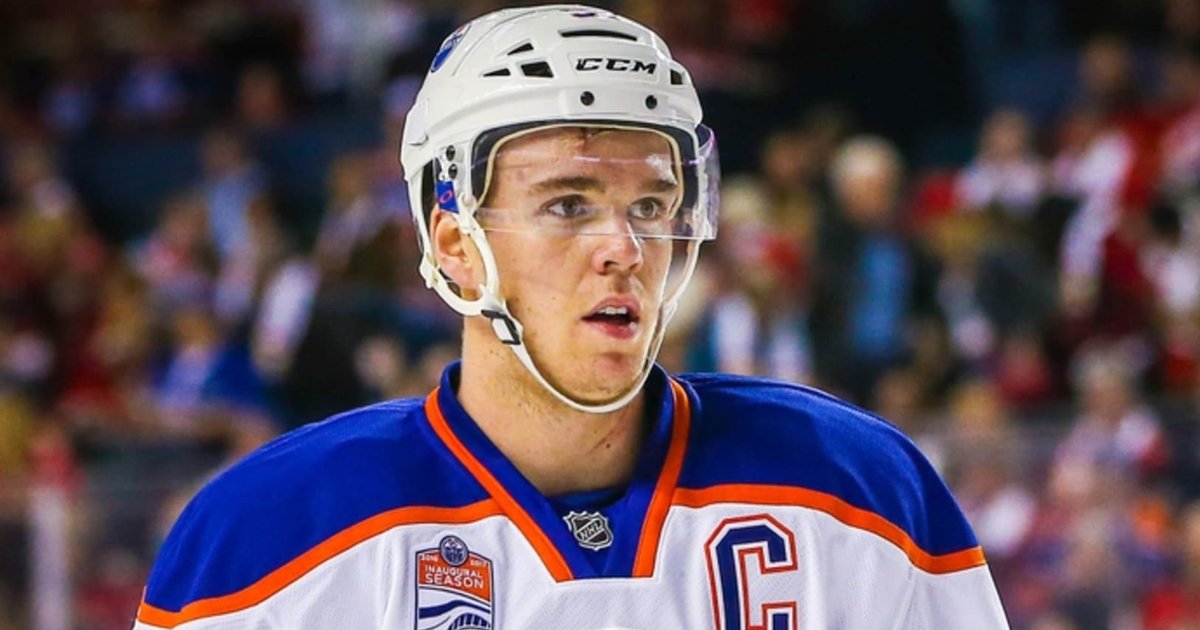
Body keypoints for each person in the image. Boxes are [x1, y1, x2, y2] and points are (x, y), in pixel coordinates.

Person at [133, 6, 1008, 628]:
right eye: (567, 204)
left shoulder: (860, 491)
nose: (625, 247)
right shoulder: (265, 540)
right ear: (456, 244)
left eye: (652, 203)